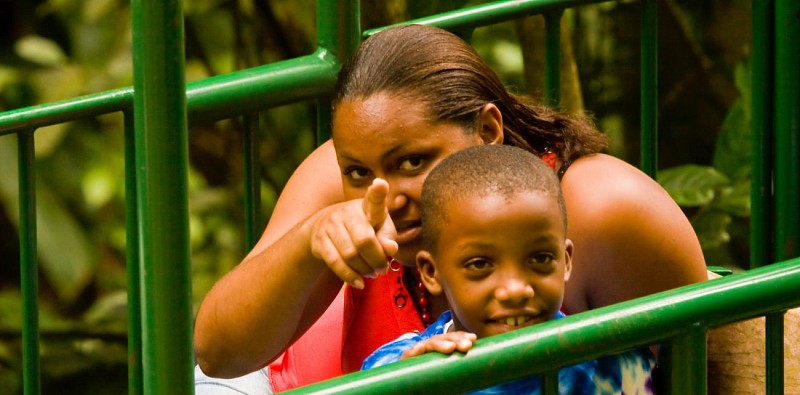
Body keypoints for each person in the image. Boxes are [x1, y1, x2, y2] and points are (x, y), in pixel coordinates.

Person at [192, 23, 707, 390]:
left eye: (414, 162)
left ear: (487, 132)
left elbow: (702, 366)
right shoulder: (353, 175)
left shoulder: (604, 208)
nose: (386, 196)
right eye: (358, 171)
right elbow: (218, 355)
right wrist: (310, 242)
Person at [361, 144, 655, 394]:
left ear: (565, 260)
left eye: (539, 259)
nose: (515, 290)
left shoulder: (605, 364)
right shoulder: (401, 365)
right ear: (431, 272)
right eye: (479, 265)